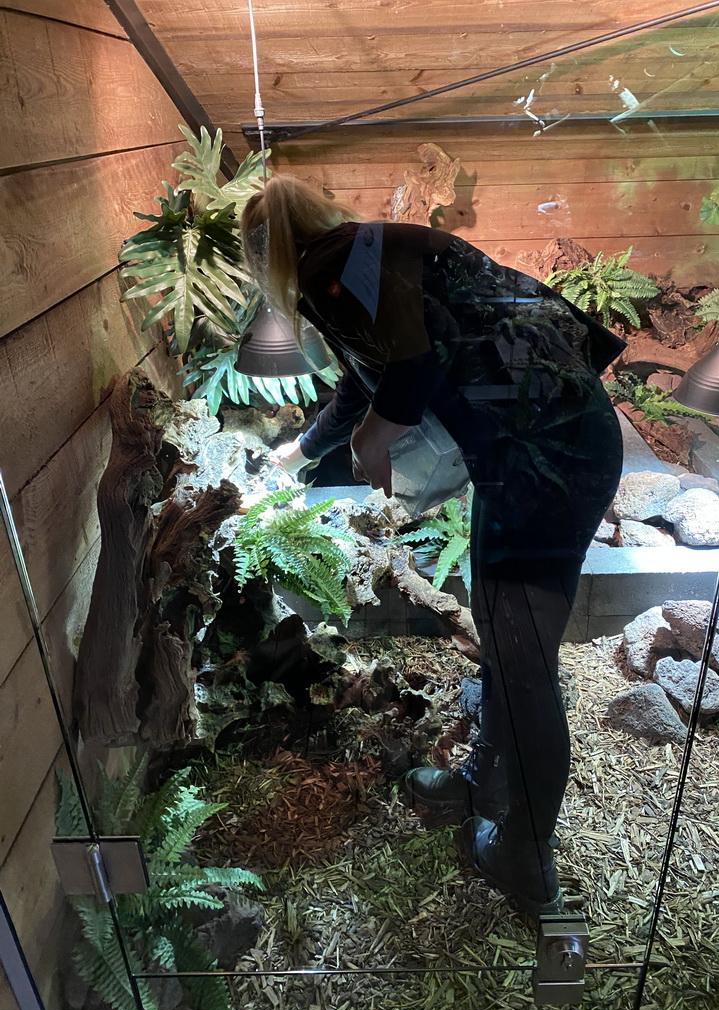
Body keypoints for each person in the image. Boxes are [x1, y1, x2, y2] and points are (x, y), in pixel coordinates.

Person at [241, 174, 624, 919]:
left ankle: (524, 851)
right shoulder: (371, 253)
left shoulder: (331, 265)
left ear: (268, 254)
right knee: (508, 634)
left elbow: (407, 375)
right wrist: (299, 452)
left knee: (523, 664)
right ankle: (490, 784)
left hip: (539, 453)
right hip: (551, 439)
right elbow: (369, 379)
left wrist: (370, 443)